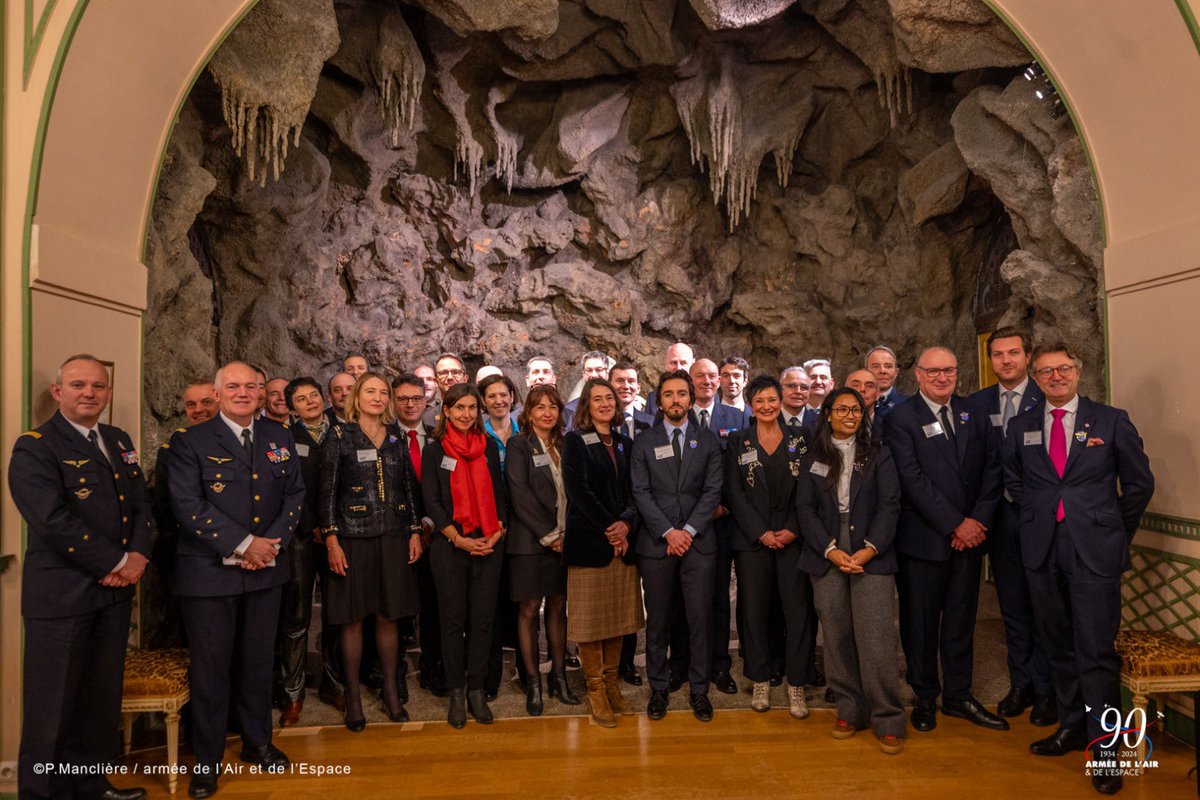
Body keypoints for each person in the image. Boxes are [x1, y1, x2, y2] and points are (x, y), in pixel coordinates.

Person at [1003, 343, 1153, 796]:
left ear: (1078, 371)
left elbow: (1139, 484)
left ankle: (1105, 751)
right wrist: (1038, 516)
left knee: (1095, 653)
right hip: (1042, 549)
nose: (1056, 376)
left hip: (1094, 551)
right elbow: (1014, 481)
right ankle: (1071, 727)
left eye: (1063, 368)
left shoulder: (1111, 420)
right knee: (1058, 647)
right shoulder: (1022, 426)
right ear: (1035, 377)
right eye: (1046, 371)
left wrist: (1113, 531)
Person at [10, 354, 152, 800]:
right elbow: (52, 520)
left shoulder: (117, 439)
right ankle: (41, 793)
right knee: (52, 708)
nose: (89, 393)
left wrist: (138, 555)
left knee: (98, 700)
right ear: (58, 392)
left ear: (108, 393)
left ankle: (91, 785)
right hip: (62, 596)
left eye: (98, 386)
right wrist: (117, 562)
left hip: (112, 597)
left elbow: (141, 504)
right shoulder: (35, 446)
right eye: (77, 385)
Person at [168, 361, 304, 798]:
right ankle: (207, 760)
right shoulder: (189, 441)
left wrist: (270, 545)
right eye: (233, 386)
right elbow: (187, 505)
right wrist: (245, 545)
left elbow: (294, 495)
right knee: (211, 670)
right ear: (217, 392)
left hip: (266, 570)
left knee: (259, 664)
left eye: (250, 386)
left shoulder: (278, 436)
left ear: (261, 393)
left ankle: (257, 742)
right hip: (209, 576)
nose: (243, 393)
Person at [883, 347, 1005, 734]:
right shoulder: (900, 418)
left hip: (969, 541)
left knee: (961, 620)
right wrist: (954, 523)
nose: (941, 378)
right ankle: (924, 695)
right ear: (918, 375)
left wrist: (977, 521)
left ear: (957, 373)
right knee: (919, 623)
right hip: (924, 541)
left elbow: (993, 469)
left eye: (948, 371)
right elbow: (910, 478)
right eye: (933, 371)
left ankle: (958, 694)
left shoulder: (974, 412)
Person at [797, 388, 906, 754]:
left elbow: (890, 504)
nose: (850, 415)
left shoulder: (878, 453)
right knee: (837, 633)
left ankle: (888, 717)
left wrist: (870, 549)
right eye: (842, 409)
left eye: (856, 410)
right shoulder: (813, 456)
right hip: (827, 549)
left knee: (876, 636)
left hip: (871, 547)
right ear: (827, 414)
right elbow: (805, 509)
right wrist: (830, 550)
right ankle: (849, 709)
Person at [319, 372, 423, 730]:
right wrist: (331, 540)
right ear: (357, 397)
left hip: (394, 536)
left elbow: (409, 488)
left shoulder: (396, 436)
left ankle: (391, 691)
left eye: (382, 392)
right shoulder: (339, 436)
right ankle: (352, 697)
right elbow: (327, 493)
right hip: (352, 537)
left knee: (389, 616)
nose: (377, 398)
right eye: (370, 392)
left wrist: (414, 530)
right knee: (352, 618)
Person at [968, 327, 1055, 727]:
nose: (1006, 360)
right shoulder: (977, 403)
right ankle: (1022, 683)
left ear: (1028, 356)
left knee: (1046, 607)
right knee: (1014, 607)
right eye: (998, 354)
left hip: (1041, 519)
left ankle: (1049, 689)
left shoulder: (1047, 396)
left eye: (1013, 353)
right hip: (998, 521)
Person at [631, 370, 724, 723]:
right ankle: (658, 688)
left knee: (699, 620)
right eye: (668, 394)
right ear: (659, 401)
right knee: (657, 622)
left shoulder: (708, 441)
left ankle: (699, 690)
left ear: (691, 398)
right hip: (657, 545)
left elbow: (712, 491)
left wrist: (687, 531)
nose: (675, 400)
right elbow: (641, 492)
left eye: (681, 394)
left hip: (698, 544)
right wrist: (669, 532)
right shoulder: (644, 442)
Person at [724, 375, 814, 718]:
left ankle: (797, 684)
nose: (766, 406)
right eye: (759, 400)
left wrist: (792, 528)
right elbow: (734, 492)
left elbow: (809, 488)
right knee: (754, 610)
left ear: (781, 401)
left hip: (793, 535)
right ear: (750, 405)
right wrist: (761, 532)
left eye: (772, 399)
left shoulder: (801, 439)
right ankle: (759, 678)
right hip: (753, 539)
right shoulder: (738, 441)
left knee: (797, 611)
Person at [421, 383, 508, 728]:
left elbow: (500, 494)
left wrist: (497, 532)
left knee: (483, 621)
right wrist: (458, 539)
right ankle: (456, 690)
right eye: (459, 407)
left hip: (488, 544)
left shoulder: (488, 447)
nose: (466, 414)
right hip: (450, 546)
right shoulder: (434, 451)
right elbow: (432, 501)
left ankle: (476, 689)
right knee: (453, 622)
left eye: (472, 407)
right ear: (446, 411)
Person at [562, 378, 642, 727]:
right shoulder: (575, 440)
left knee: (616, 619)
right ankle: (595, 689)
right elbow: (578, 491)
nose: (605, 403)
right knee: (591, 622)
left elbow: (634, 491)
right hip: (591, 544)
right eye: (597, 399)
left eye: (609, 398)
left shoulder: (625, 442)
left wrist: (626, 523)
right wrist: (611, 527)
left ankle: (611, 684)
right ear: (586, 405)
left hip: (622, 544)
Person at [505, 385, 582, 715]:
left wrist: (568, 536)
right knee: (528, 610)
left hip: (566, 541)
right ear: (529, 412)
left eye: (553, 406)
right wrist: (550, 535)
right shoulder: (519, 444)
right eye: (540, 407)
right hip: (531, 542)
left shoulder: (567, 443)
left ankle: (559, 679)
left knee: (559, 607)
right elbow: (519, 494)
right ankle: (533, 683)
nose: (547, 412)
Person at [274, 377, 331, 726]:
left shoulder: (342, 432)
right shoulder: (284, 439)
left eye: (314, 395)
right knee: (296, 618)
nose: (310, 402)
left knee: (338, 615)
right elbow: (286, 488)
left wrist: (331, 527)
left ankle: (334, 685)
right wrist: (312, 525)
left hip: (338, 536)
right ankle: (292, 694)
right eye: (301, 399)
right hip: (300, 536)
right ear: (292, 408)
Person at [683, 358, 742, 694]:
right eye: (699, 376)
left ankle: (720, 665)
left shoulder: (737, 418)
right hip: (684, 524)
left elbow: (742, 471)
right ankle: (683, 664)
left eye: (711, 376)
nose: (706, 381)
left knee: (719, 597)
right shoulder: (676, 415)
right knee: (683, 599)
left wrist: (725, 506)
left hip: (721, 522)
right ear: (690, 381)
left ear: (719, 380)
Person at [392, 373, 445, 698]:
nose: (410, 404)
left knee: (433, 606)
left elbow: (445, 490)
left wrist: (428, 524)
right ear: (393, 401)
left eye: (416, 398)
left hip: (434, 534)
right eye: (403, 399)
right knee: (397, 609)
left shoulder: (438, 438)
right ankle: (394, 671)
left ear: (426, 401)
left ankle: (433, 666)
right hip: (396, 536)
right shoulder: (383, 438)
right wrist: (411, 527)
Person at [479, 374, 520, 469]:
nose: (498, 401)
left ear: (512, 397)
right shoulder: (479, 437)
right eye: (492, 396)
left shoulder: (524, 433)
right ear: (483, 400)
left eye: (503, 395)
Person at [645, 342, 695, 417]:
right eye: (674, 362)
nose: (678, 368)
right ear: (666, 364)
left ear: (693, 364)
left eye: (683, 363)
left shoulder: (704, 396)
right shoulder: (653, 399)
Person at [425, 353, 468, 428]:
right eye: (443, 373)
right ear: (435, 381)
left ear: (465, 379)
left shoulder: (481, 417)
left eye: (455, 372)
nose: (450, 377)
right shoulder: (425, 419)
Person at [563, 350, 610, 415]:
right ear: (583, 374)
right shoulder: (571, 410)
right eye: (589, 370)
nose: (594, 375)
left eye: (599, 370)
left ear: (607, 372)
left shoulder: (618, 404)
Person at [865, 345, 908, 417]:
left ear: (896, 372)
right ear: (866, 372)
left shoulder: (912, 406)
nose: (882, 371)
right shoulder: (855, 404)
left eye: (888, 366)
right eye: (876, 366)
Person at [845, 369, 883, 442]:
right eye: (856, 385)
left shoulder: (890, 425)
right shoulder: (832, 424)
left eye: (869, 386)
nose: (862, 389)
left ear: (878, 394)